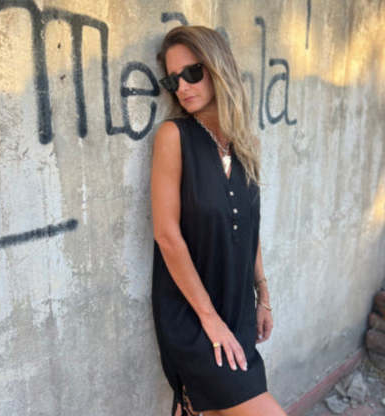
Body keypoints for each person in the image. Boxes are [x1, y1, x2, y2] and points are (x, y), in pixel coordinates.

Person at [150, 25, 287, 416]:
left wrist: (263, 296)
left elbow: (249, 228)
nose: (182, 87)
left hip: (237, 308)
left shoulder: (245, 144)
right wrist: (209, 321)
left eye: (192, 73)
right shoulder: (174, 136)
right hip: (192, 313)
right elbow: (166, 235)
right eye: (172, 80)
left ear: (217, 68)